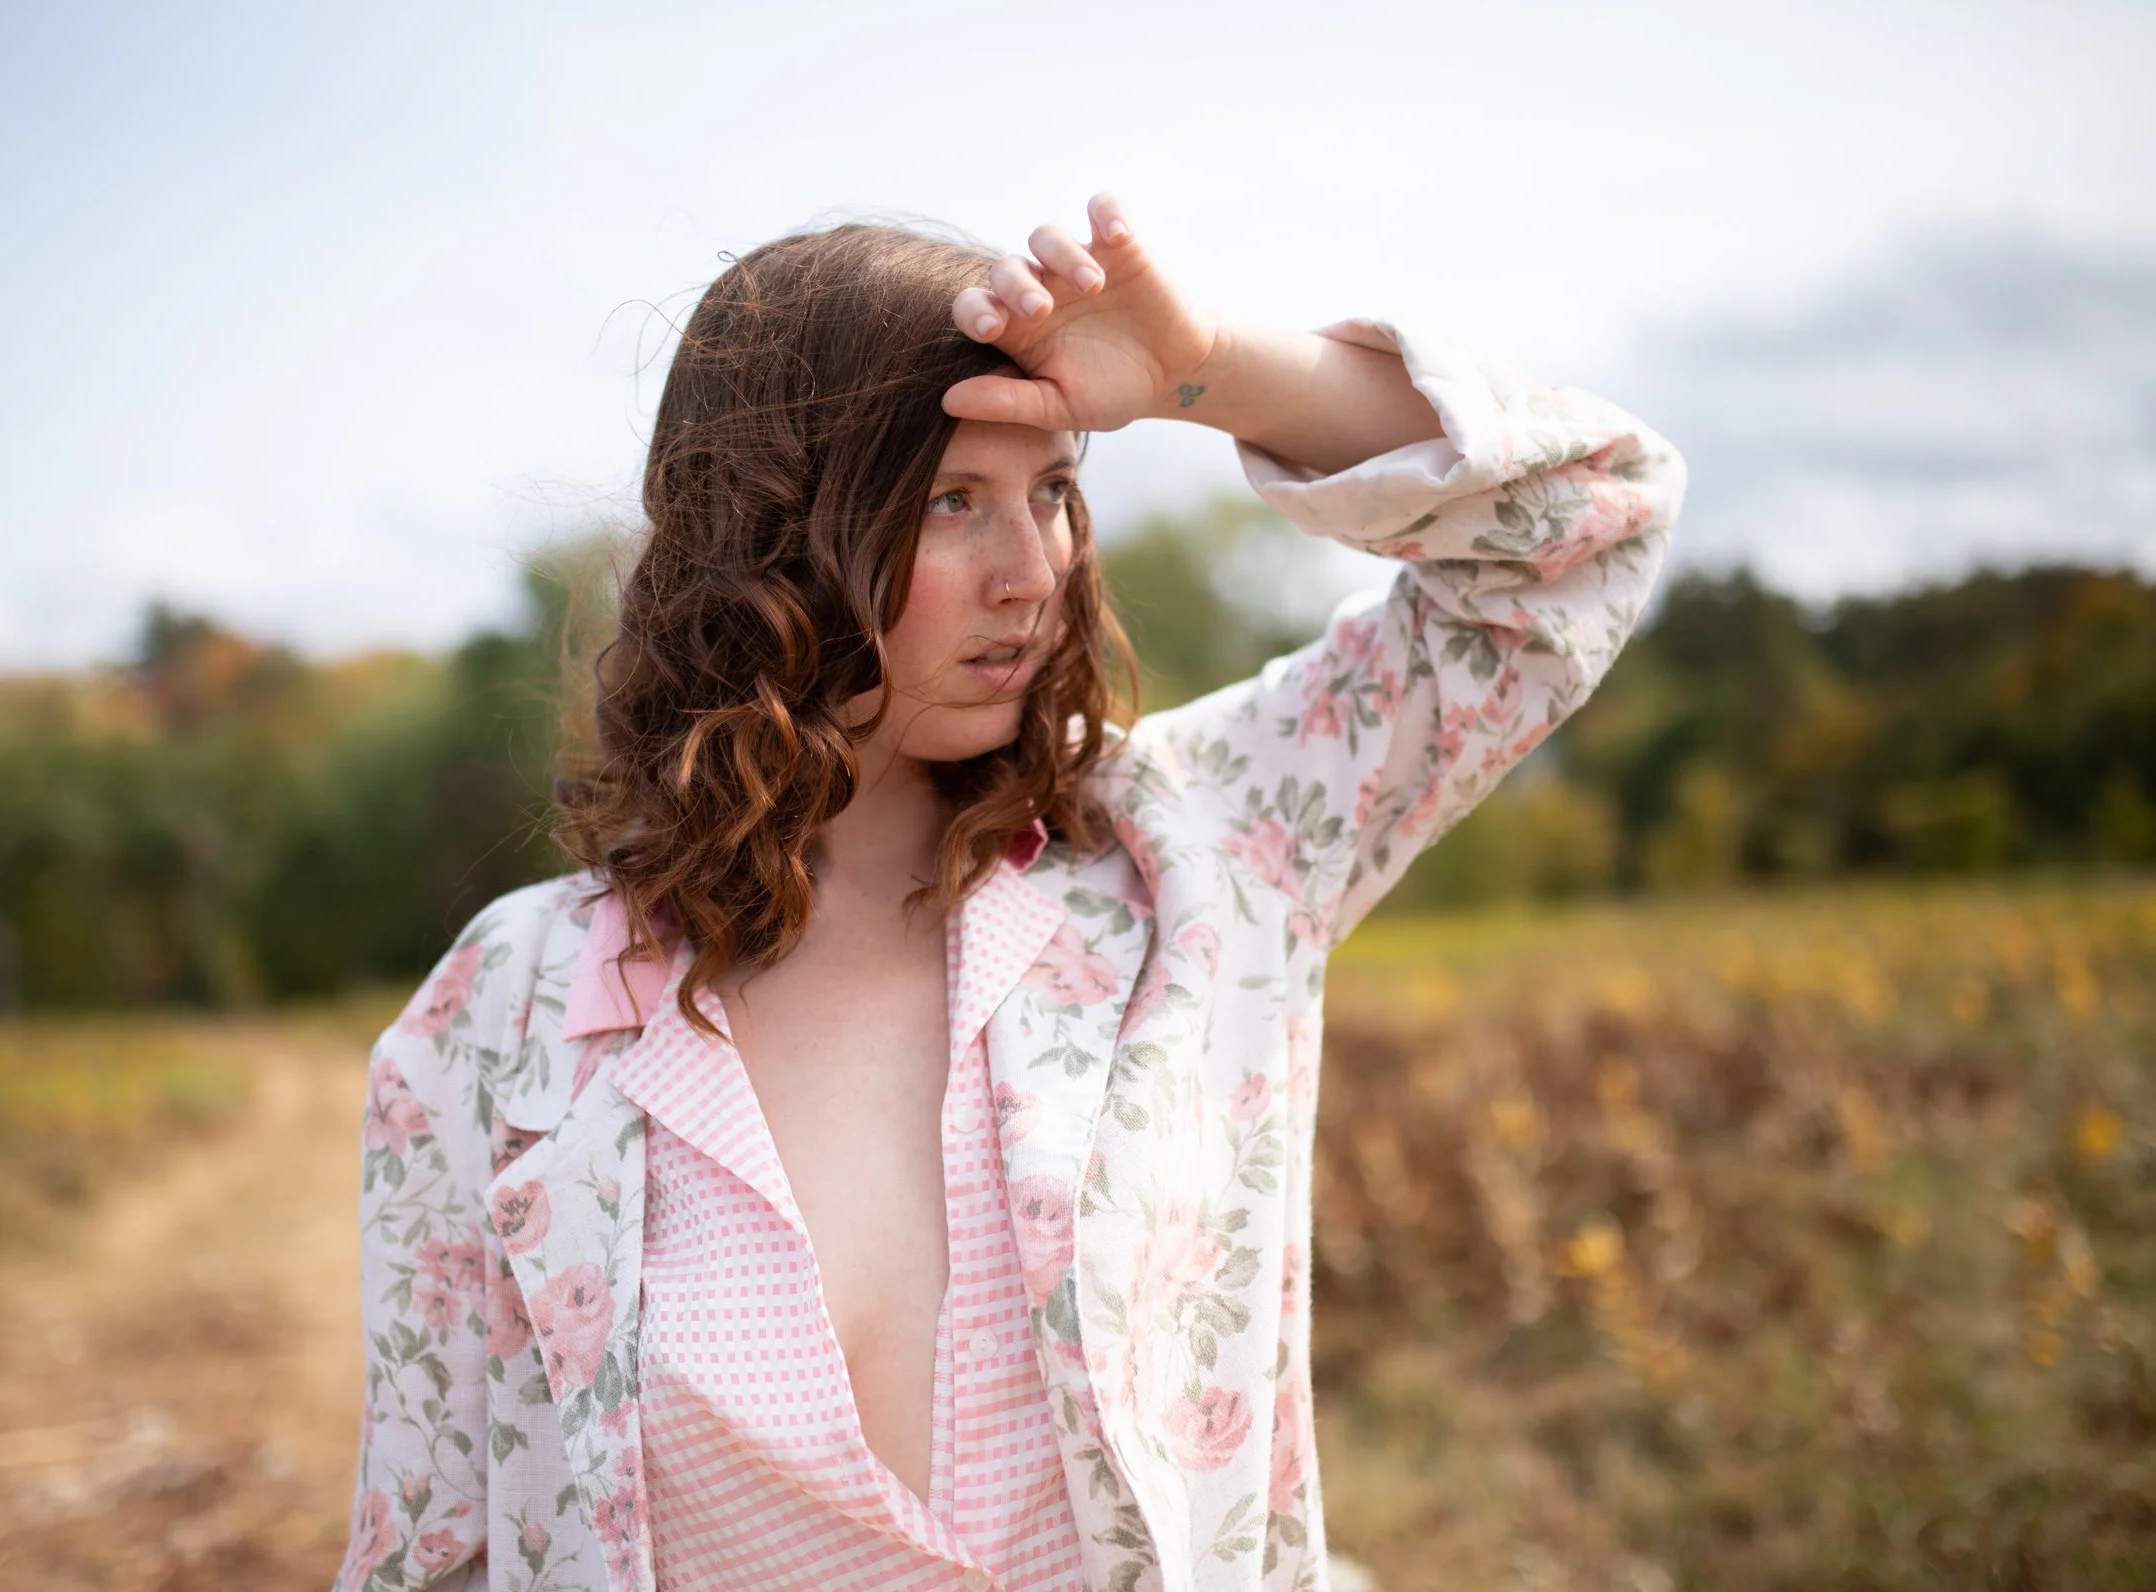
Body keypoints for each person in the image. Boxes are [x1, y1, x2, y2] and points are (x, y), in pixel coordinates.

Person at [334, 194, 1685, 1592]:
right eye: (949, 502)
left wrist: (1202, 370)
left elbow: (1589, 526)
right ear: (766, 534)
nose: (1033, 573)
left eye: (1052, 493)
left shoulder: (1198, 849)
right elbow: (428, 1550)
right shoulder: (502, 1017)